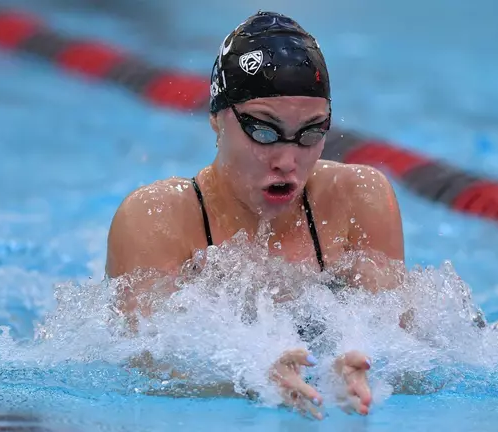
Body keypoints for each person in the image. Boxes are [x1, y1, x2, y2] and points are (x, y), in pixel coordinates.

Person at [105, 11, 405, 419]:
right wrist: (249, 376)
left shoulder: (359, 200)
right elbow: (140, 366)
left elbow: (405, 334)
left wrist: (371, 368)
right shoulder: (155, 218)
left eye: (312, 132)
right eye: (263, 130)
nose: (287, 160)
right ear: (216, 119)